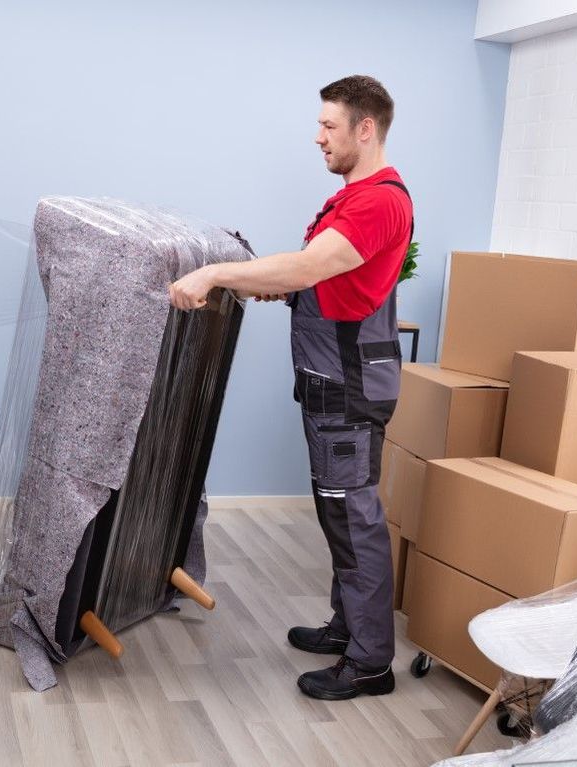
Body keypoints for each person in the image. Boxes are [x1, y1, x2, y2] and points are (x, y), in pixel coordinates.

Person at [169, 75, 412, 700]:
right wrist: (290, 285)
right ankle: (349, 627)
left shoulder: (378, 201)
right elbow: (325, 277)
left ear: (365, 129)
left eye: (329, 126)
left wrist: (219, 272)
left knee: (353, 518)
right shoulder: (351, 199)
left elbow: (311, 264)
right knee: (339, 513)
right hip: (332, 379)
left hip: (350, 388)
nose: (318, 137)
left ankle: (370, 662)